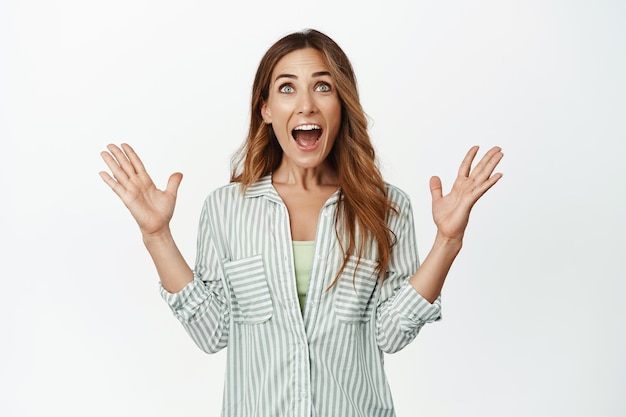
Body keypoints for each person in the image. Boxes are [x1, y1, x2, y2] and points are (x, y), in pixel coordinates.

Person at [99, 28, 503, 417]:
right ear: (267, 109)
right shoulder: (226, 208)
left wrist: (447, 241)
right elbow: (212, 332)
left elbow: (390, 334)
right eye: (287, 87)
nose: (306, 104)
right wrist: (156, 235)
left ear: (342, 104)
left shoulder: (385, 206)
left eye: (323, 86)